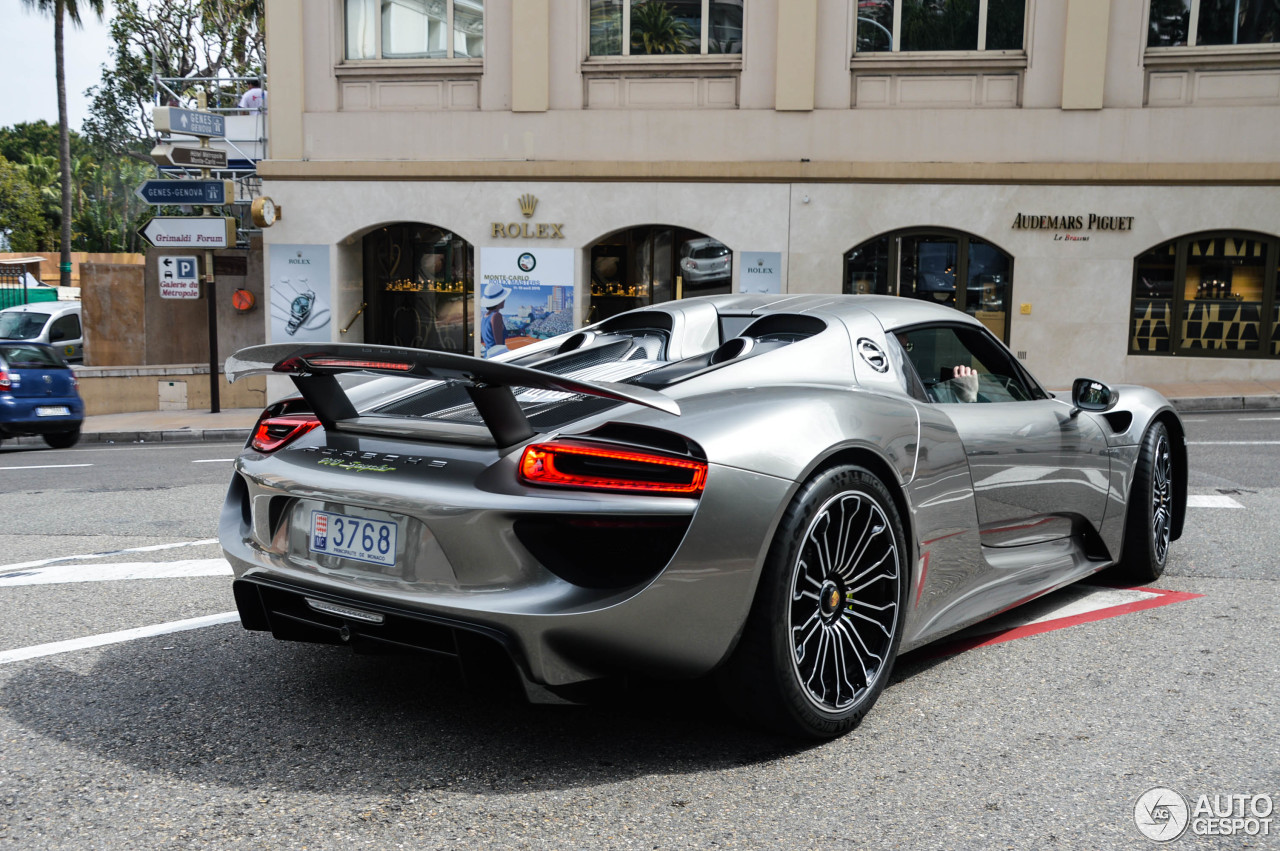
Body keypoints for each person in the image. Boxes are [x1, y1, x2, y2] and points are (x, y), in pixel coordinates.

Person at [480, 280, 511, 357]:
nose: (504, 300)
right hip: (495, 358)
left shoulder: (484, 316)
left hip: (488, 356)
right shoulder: (496, 316)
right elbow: (499, 346)